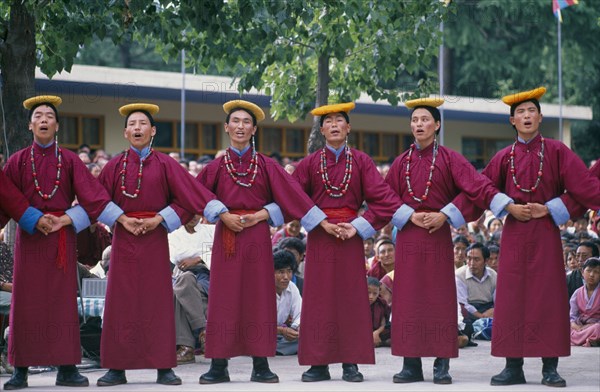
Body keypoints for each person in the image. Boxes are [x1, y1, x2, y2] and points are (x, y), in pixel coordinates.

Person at [454, 87, 600, 387]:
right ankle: (513, 366)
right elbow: (482, 189)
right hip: (515, 233)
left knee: (547, 298)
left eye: (531, 111)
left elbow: (583, 188)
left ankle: (550, 367)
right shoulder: (503, 157)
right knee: (512, 299)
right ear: (512, 121)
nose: (527, 116)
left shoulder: (558, 151)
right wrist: (506, 206)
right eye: (520, 112)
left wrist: (549, 210)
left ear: (540, 117)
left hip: (546, 232)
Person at [368, 97, 511, 385]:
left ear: (437, 124)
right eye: (415, 120)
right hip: (408, 236)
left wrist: (445, 214)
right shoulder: (401, 163)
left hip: (437, 236)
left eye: (424, 120)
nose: (419, 124)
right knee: (408, 300)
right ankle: (410, 364)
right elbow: (384, 196)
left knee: (439, 300)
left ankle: (441, 364)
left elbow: (474, 188)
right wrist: (408, 214)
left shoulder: (449, 158)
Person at [194, 100, 333, 384]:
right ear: (226, 127)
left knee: (259, 298)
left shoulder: (268, 165)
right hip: (227, 236)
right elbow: (195, 195)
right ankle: (219, 365)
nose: (241, 126)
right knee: (223, 299)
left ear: (254, 128)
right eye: (236, 121)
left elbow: (291, 197)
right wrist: (222, 213)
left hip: (257, 236)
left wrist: (263, 214)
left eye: (247, 122)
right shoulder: (216, 167)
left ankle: (260, 364)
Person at [3, 95, 134, 390]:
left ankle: (66, 368)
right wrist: (31, 217)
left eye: (49, 115)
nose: (44, 119)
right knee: (25, 305)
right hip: (30, 240)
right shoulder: (17, 161)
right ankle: (20, 370)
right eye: (38, 116)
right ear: (29, 125)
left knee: (62, 304)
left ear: (58, 125)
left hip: (61, 240)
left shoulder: (71, 160)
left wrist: (66, 219)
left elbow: (94, 197)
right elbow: (6, 198)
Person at [96, 103, 224, 387]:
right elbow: (97, 200)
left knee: (157, 303)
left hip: (155, 240)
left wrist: (160, 219)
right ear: (125, 132)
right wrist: (121, 219)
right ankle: (116, 367)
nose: (138, 127)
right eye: (133, 124)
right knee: (121, 304)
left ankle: (164, 366)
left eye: (144, 123)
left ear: (153, 131)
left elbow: (188, 197)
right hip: (124, 240)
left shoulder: (167, 165)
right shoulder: (114, 166)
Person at [293, 102, 402, 383]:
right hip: (320, 237)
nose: (333, 125)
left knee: (352, 300)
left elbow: (383, 200)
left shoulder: (362, 162)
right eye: (327, 121)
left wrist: (358, 227)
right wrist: (321, 222)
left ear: (348, 127)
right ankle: (318, 363)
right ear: (322, 129)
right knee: (319, 300)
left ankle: (350, 363)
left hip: (351, 236)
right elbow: (292, 195)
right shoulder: (309, 163)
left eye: (339, 120)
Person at [169, 214, 214, 365]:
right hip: (184, 276)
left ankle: (186, 348)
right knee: (185, 281)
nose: (193, 217)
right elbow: (177, 257)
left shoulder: (210, 230)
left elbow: (221, 252)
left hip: (207, 276)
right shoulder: (174, 236)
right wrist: (205, 252)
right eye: (188, 212)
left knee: (180, 294)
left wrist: (197, 259)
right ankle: (204, 331)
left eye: (196, 213)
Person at [455, 242, 496, 340]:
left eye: (476, 259)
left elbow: (498, 300)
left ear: (486, 261)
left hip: (488, 309)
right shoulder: (459, 275)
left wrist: (494, 310)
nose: (472, 263)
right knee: (466, 326)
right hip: (469, 311)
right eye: (469, 258)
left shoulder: (493, 275)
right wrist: (481, 316)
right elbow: (463, 304)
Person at [273, 250, 302, 356]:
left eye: (289, 271)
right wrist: (281, 330)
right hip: (262, 333)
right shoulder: (261, 289)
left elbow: (300, 313)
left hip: (281, 337)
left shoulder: (292, 287)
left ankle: (275, 349)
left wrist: (295, 328)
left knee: (306, 337)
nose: (286, 277)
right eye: (281, 272)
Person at [570, 258, 600, 347]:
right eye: (589, 271)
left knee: (597, 328)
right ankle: (590, 339)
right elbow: (572, 316)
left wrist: (589, 326)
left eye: (596, 272)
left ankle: (578, 339)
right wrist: (577, 327)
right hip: (580, 326)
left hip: (595, 325)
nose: (591, 275)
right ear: (583, 272)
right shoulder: (577, 292)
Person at [367, 277, 390, 348]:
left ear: (379, 292)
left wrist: (376, 333)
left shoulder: (381, 303)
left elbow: (383, 324)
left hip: (377, 332)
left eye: (375, 293)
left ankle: (377, 341)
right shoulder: (357, 303)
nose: (371, 296)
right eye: (368, 293)